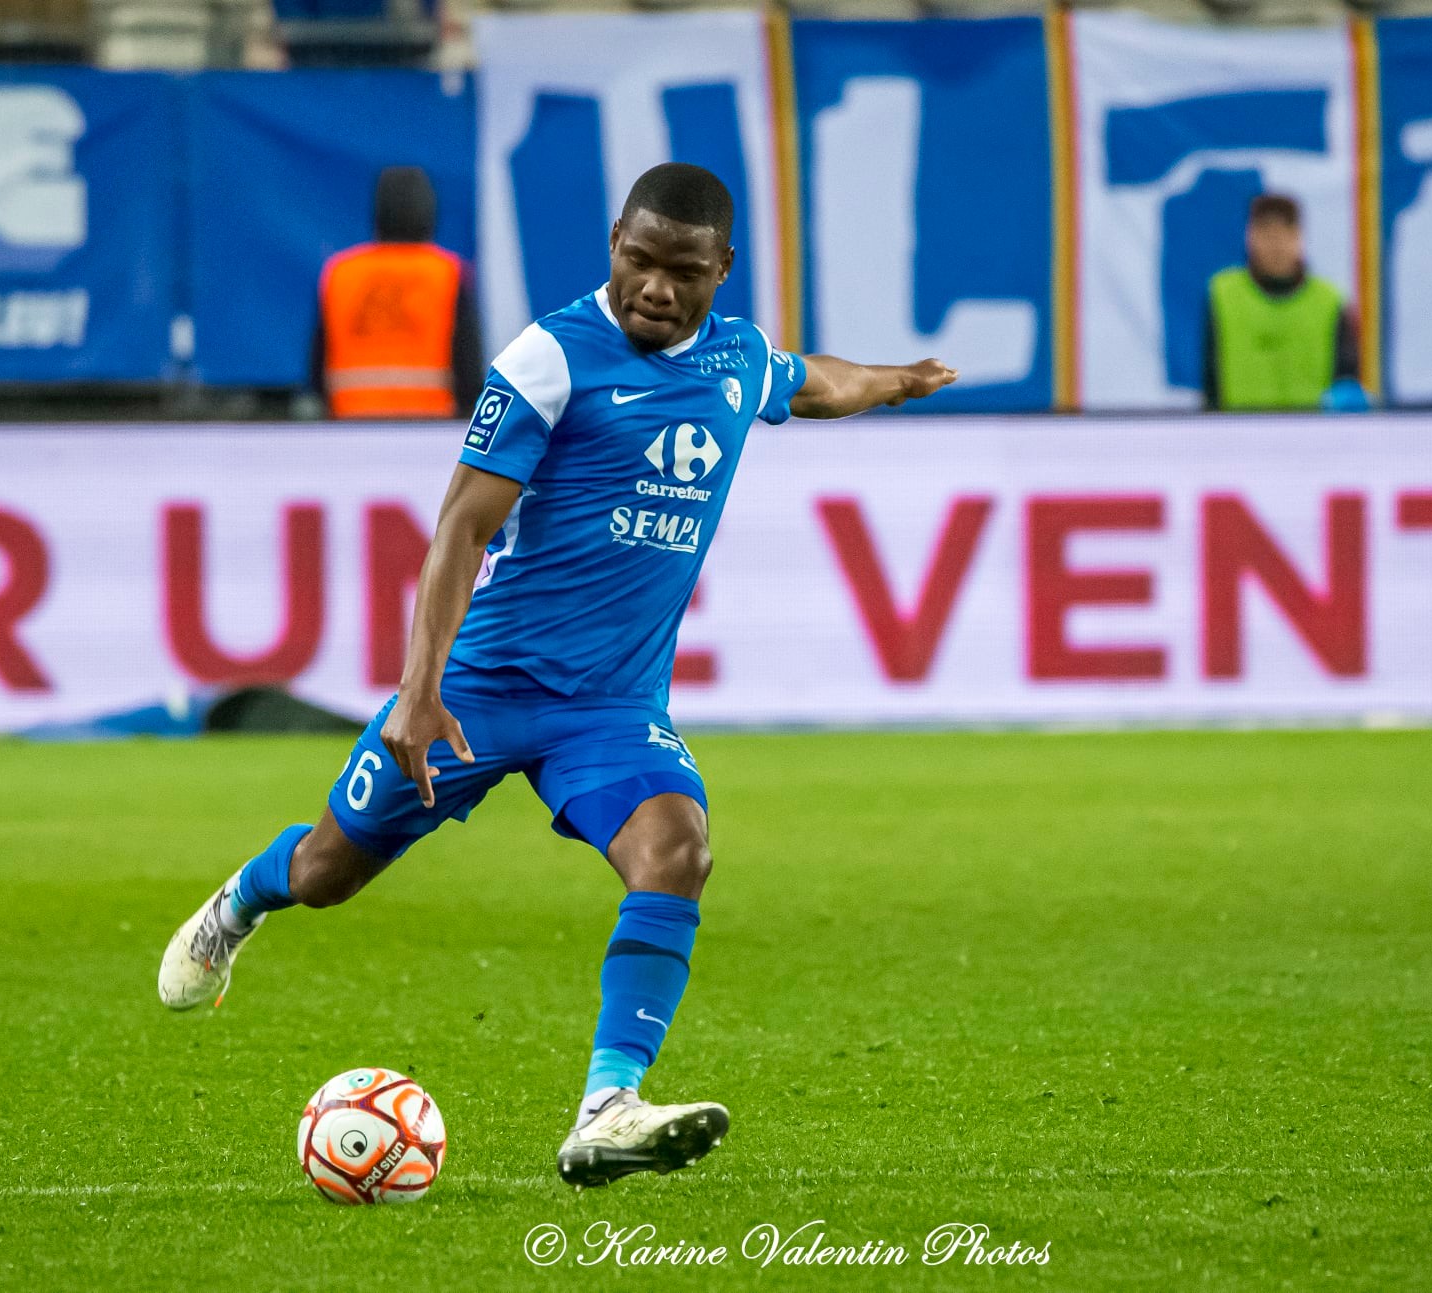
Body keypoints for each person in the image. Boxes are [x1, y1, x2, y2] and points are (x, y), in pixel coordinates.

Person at [160, 162, 957, 1188]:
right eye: (639, 261)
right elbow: (462, 525)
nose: (656, 289)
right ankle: (240, 904)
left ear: (722, 270)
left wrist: (897, 381)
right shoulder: (550, 357)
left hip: (613, 710)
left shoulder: (737, 359)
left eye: (683, 271)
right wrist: (420, 686)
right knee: (326, 874)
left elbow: (818, 381)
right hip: (480, 690)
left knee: (679, 850)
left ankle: (607, 1107)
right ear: (613, 246)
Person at [309, 166, 484, 419]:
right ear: (430, 213)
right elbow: (469, 373)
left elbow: (316, 371)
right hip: (432, 430)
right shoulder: (447, 274)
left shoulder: (341, 274)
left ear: (377, 213)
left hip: (349, 430)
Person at [1202, 193, 1365, 413]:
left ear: (1299, 237)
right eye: (1266, 233)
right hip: (1240, 437)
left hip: (1314, 439)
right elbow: (1211, 381)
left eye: (1284, 232)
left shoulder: (1329, 301)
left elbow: (1347, 379)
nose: (1276, 244)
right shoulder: (1222, 295)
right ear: (1250, 236)